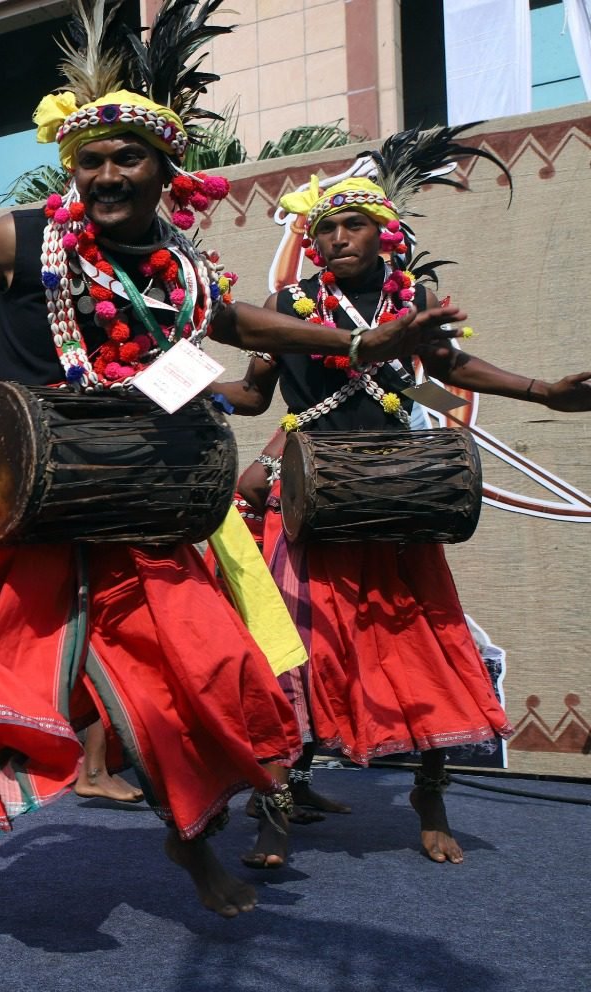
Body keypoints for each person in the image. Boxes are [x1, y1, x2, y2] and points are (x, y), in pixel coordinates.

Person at [0, 0, 468, 953]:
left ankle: (190, 840)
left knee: (194, 675)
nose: (106, 175)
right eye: (90, 160)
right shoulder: (20, 238)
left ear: (165, 171)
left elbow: (240, 324)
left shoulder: (181, 269)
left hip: (123, 503)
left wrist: (361, 342)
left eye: (127, 159)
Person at [212, 125, 591, 866]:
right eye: (326, 229)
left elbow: (439, 371)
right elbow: (256, 396)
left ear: (384, 232)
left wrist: (542, 390)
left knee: (423, 649)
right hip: (311, 499)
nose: (337, 238)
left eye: (353, 225)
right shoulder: (288, 303)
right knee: (296, 655)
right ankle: (277, 811)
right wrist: (176, 388)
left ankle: (429, 794)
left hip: (394, 497)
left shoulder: (410, 297)